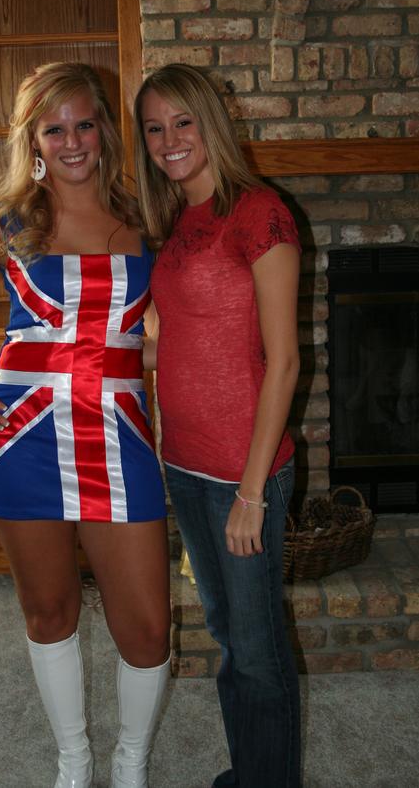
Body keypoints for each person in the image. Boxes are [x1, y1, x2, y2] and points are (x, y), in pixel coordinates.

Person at [0, 62, 171, 788]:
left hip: (118, 439)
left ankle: (131, 765)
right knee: (50, 612)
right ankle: (74, 763)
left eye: (84, 124)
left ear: (103, 131)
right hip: (22, 441)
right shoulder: (9, 221)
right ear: (34, 141)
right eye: (54, 128)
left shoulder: (144, 221)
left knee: (148, 629)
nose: (72, 140)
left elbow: (145, 340)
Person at [134, 63, 301, 788]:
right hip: (184, 463)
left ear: (210, 122)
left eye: (182, 122)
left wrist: (253, 493)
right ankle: (251, 774)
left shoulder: (259, 212)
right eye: (154, 128)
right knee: (230, 636)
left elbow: (285, 361)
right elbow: (177, 338)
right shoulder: (175, 221)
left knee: (259, 653)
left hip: (243, 471)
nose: (169, 139)